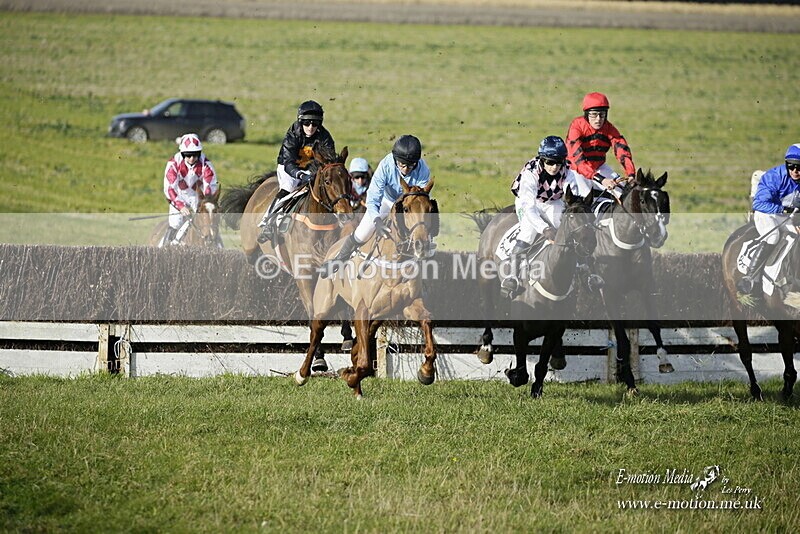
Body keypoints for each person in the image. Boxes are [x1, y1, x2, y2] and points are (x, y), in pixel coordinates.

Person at [321, 135, 430, 276]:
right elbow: (373, 198)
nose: (405, 169)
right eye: (402, 165)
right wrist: (377, 220)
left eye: (410, 166)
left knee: (424, 233)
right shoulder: (386, 165)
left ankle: (423, 274)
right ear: (395, 159)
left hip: (410, 205)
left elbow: (421, 200)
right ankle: (339, 260)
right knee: (362, 232)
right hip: (387, 201)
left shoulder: (423, 169)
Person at [501, 135, 592, 296]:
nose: (554, 167)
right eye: (550, 162)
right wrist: (544, 229)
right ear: (542, 160)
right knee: (528, 232)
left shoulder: (568, 171)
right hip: (528, 203)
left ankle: (584, 268)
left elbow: (573, 200)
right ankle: (512, 276)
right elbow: (529, 207)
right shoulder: (531, 172)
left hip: (552, 202)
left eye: (558, 162)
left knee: (567, 229)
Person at [257, 100, 336, 243]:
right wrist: (299, 174)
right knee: (289, 188)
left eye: (315, 123)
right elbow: (288, 162)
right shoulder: (293, 134)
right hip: (289, 168)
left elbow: (327, 162)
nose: (311, 127)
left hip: (311, 170)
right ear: (300, 122)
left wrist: (313, 174)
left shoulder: (325, 138)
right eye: (307, 123)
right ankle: (268, 222)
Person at [737, 143, 800, 294]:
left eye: (799, 167)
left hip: (788, 217)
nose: (795, 171)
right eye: (791, 166)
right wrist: (782, 209)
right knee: (773, 236)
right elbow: (759, 203)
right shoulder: (775, 177)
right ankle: (750, 277)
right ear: (786, 164)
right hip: (767, 214)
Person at [566, 92, 636, 194]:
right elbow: (578, 162)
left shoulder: (609, 128)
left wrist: (631, 174)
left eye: (602, 114)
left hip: (599, 167)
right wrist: (601, 180)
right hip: (576, 170)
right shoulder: (577, 126)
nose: (598, 119)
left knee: (623, 192)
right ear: (586, 114)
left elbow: (622, 152)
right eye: (594, 114)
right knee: (585, 198)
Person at [162, 133, 219, 246]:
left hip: (198, 197)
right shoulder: (173, 164)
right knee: (176, 222)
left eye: (195, 155)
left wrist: (203, 203)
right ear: (182, 154)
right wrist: (181, 206)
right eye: (188, 155)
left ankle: (218, 245)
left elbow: (209, 187)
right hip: (179, 195)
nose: (192, 158)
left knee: (208, 220)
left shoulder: (206, 165)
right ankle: (165, 247)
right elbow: (169, 189)